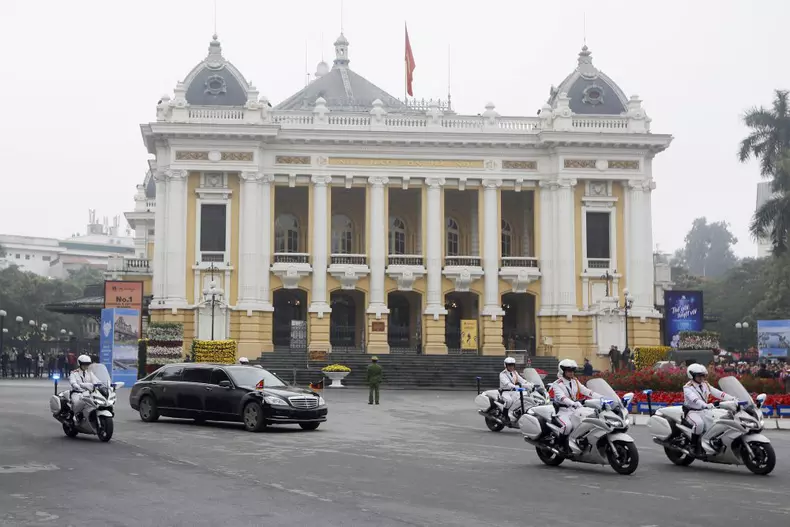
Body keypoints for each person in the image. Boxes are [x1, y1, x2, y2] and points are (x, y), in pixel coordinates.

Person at [549, 359, 603, 455]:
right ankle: (560, 445)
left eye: (572, 370)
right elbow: (562, 398)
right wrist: (573, 403)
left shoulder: (575, 381)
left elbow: (586, 391)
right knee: (568, 426)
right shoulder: (557, 384)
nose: (571, 373)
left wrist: (601, 397)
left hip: (575, 409)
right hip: (562, 411)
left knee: (587, 422)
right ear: (563, 371)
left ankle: (580, 443)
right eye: (569, 370)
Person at [683, 363, 736, 456]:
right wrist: (705, 405)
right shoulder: (688, 387)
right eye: (699, 375)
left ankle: (713, 443)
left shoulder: (705, 384)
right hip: (692, 411)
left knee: (718, 421)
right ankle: (693, 445)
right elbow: (695, 399)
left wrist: (732, 398)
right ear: (692, 375)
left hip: (704, 411)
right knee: (699, 424)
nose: (702, 377)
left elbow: (718, 393)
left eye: (703, 375)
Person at [68, 355, 102, 422]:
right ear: (79, 364)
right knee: (76, 403)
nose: (86, 366)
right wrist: (76, 386)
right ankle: (74, 416)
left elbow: (96, 380)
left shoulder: (89, 373)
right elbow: (72, 381)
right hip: (77, 393)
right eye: (84, 364)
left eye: (87, 364)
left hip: (88, 393)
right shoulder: (74, 373)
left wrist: (101, 384)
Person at [499, 357, 533, 423]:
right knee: (509, 401)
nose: (511, 367)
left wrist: (529, 384)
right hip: (505, 392)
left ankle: (516, 413)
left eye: (512, 365)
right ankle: (504, 416)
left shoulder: (515, 373)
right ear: (505, 365)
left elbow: (521, 380)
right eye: (509, 365)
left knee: (523, 398)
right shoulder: (502, 374)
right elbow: (507, 383)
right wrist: (515, 387)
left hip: (514, 391)